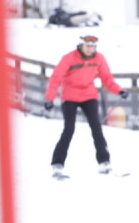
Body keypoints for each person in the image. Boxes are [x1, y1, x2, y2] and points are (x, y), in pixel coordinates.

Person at [44, 34, 128, 176]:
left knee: (96, 128)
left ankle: (104, 163)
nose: (90, 49)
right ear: (81, 45)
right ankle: (57, 164)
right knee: (69, 129)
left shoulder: (99, 58)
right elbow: (56, 78)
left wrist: (119, 91)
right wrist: (49, 98)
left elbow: (107, 78)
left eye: (93, 47)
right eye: (87, 46)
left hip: (89, 96)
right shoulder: (69, 58)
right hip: (70, 96)